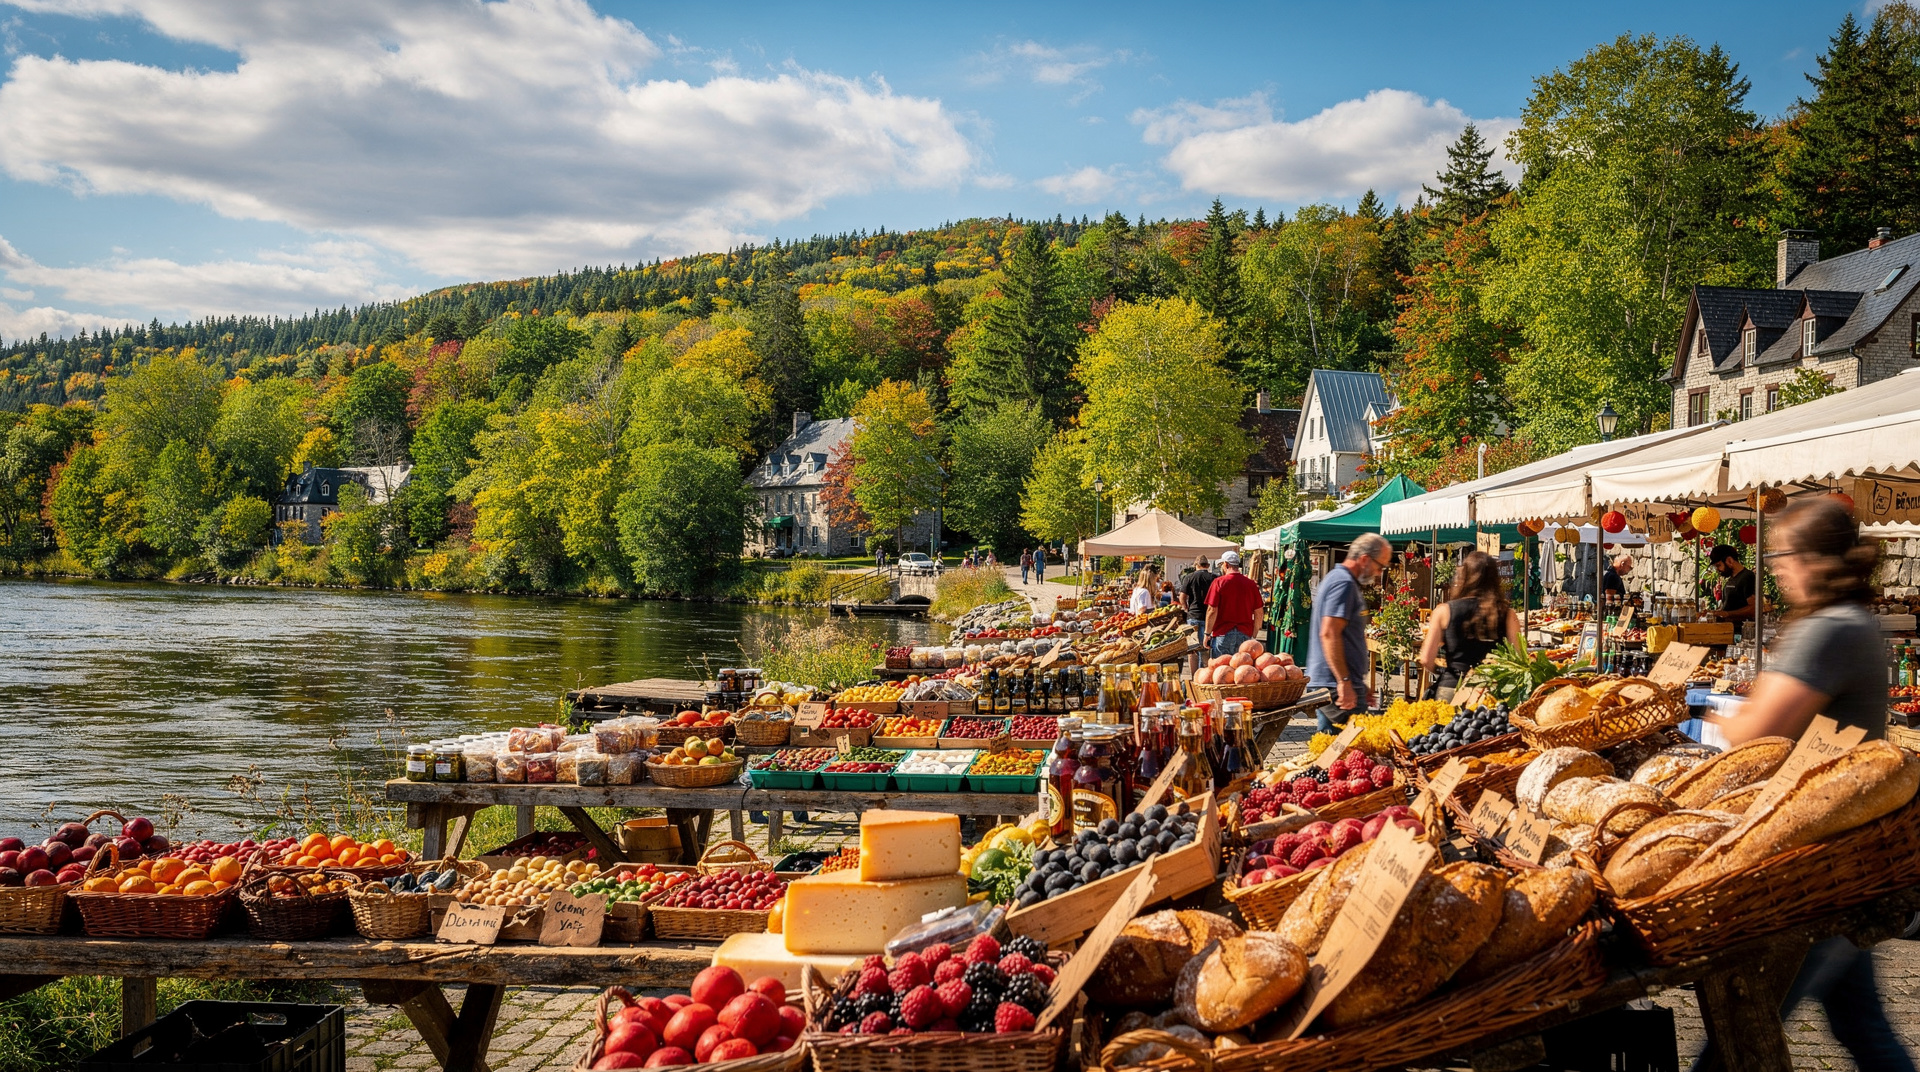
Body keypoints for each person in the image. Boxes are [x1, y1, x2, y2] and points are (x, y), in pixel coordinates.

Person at [1708, 498, 1909, 1072]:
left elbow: (1754, 732)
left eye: (1782, 555)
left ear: (1814, 560)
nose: (1775, 567)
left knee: (1745, 1029)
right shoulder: (1849, 623)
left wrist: (1711, 716)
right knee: (1860, 1024)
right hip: (1838, 846)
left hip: (1815, 857)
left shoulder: (1829, 629)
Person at [1306, 534, 1391, 733]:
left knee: (1330, 747)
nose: (1379, 573)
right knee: (1353, 749)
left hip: (1334, 681)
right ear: (1364, 559)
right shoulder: (1343, 583)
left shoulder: (1339, 579)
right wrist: (1344, 681)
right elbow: (1329, 633)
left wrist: (1356, 682)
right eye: (1380, 566)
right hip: (1334, 683)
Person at [1417, 550, 1524, 702]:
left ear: (1464, 576)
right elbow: (1519, 658)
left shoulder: (1444, 611)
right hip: (1491, 692)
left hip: (1452, 687)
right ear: (1495, 579)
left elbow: (1426, 659)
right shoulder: (1507, 614)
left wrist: (1444, 672)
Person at [1204, 551, 1265, 658]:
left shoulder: (1218, 582)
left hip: (1222, 633)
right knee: (1242, 671)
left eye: (1222, 565)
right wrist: (1254, 635)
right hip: (1244, 633)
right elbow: (1259, 612)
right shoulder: (1251, 584)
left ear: (1226, 564)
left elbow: (1212, 610)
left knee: (1221, 671)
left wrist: (1207, 634)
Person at [1707, 545, 1759, 623]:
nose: (1718, 569)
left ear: (1729, 561)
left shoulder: (1747, 577)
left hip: (1739, 631)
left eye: (1718, 565)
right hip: (1727, 628)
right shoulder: (1731, 579)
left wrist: (1727, 614)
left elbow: (1753, 608)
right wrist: (1714, 613)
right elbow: (1728, 607)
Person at [1178, 557, 1217, 633]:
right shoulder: (1214, 578)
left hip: (1194, 614)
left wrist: (1186, 608)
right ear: (1208, 565)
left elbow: (1182, 597)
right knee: (1208, 643)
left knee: (1195, 642)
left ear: (1196, 565)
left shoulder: (1189, 577)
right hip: (1210, 615)